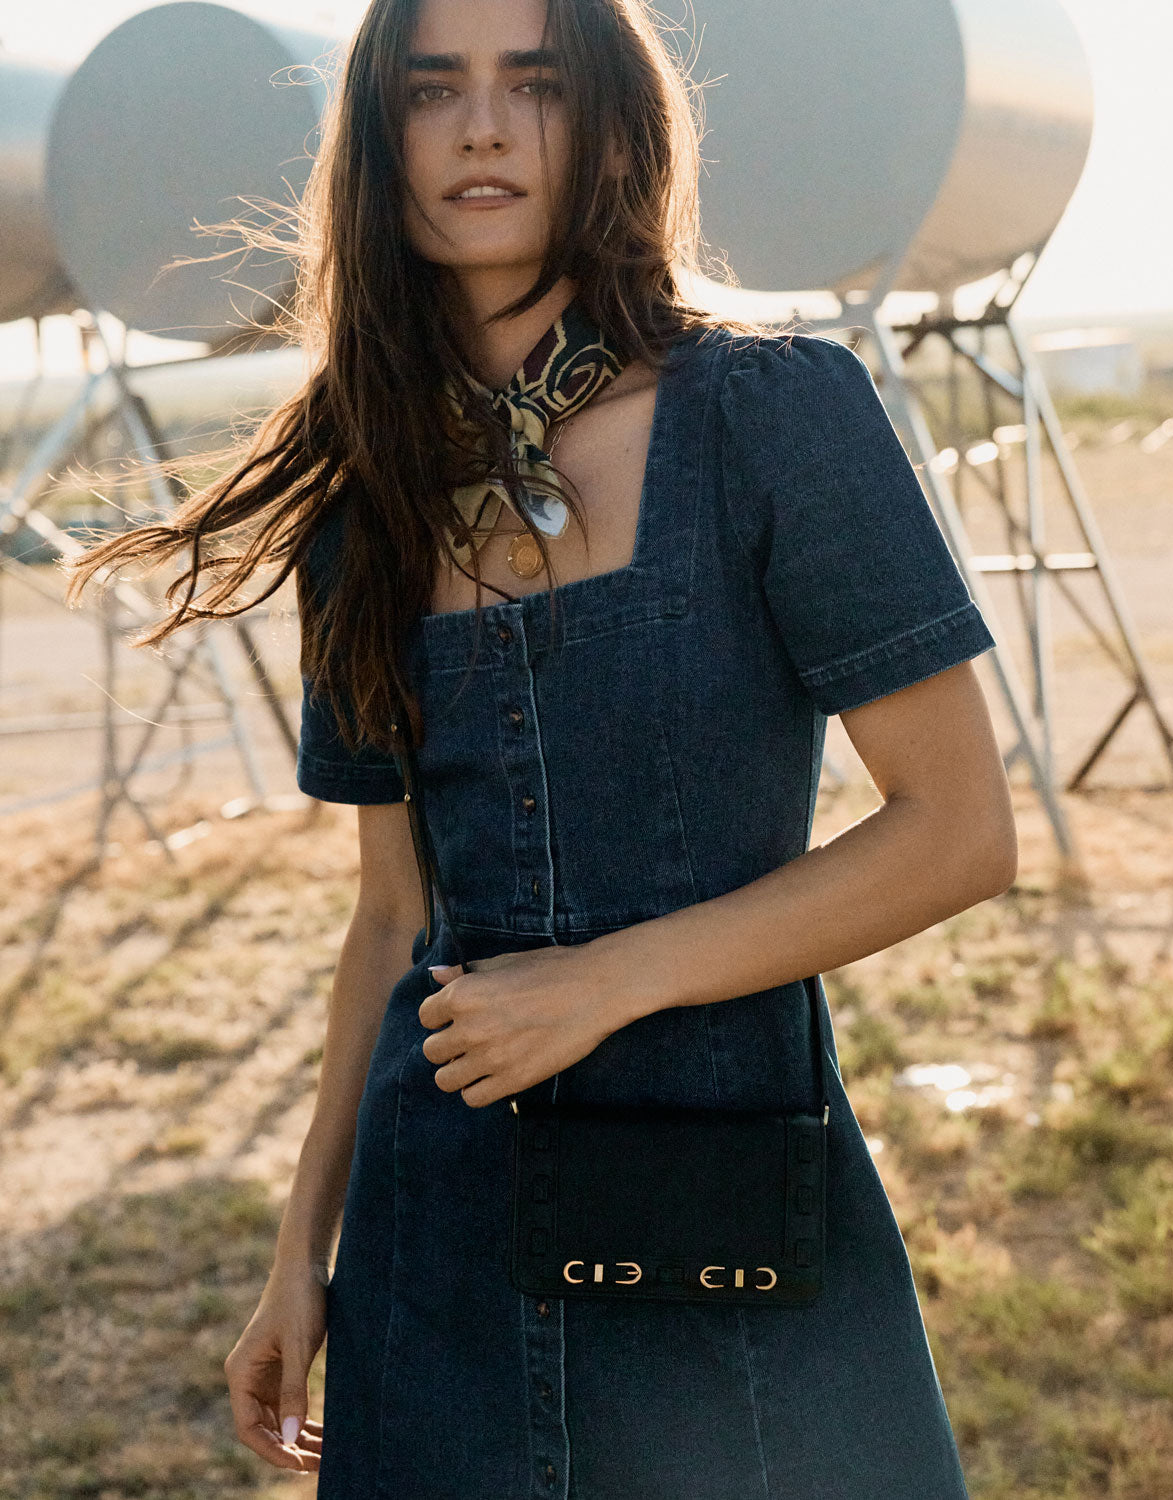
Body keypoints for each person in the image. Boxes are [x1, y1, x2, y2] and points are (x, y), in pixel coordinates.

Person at [67, 0, 1018, 1493]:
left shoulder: (777, 413)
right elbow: (391, 911)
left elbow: (959, 833)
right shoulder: (361, 492)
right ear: (382, 139)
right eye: (434, 89)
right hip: (436, 1236)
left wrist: (606, 983)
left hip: (722, 1221)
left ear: (614, 122)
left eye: (538, 85)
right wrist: (297, 1252)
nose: (485, 128)